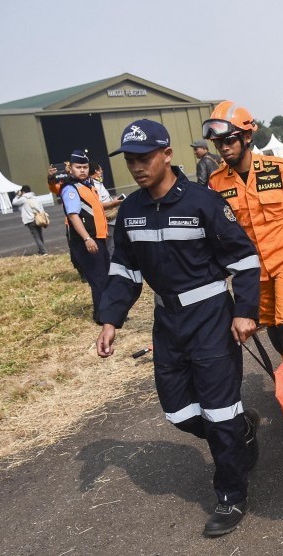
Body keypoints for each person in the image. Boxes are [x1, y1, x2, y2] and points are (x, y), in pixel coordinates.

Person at [97, 119, 261, 537]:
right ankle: (240, 431)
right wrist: (111, 319)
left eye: (145, 158)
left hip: (210, 317)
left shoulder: (204, 202)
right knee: (178, 413)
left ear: (167, 155)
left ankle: (231, 494)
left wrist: (244, 310)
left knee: (219, 411)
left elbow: (244, 259)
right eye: (131, 160)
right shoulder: (131, 210)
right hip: (167, 323)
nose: (137, 167)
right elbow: (124, 270)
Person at [203, 101, 283, 359]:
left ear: (247, 136)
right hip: (251, 270)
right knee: (272, 324)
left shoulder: (278, 168)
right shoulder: (215, 182)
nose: (224, 148)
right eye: (218, 143)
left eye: (230, 141)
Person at [60, 149, 110, 321]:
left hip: (99, 237)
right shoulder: (71, 189)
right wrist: (87, 238)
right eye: (78, 167)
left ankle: (108, 312)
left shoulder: (88, 186)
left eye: (85, 167)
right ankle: (102, 316)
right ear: (70, 169)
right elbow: (73, 216)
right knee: (98, 279)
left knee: (105, 276)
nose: (82, 170)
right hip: (87, 240)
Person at [89, 162, 123, 257]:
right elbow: (97, 204)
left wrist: (113, 200)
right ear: (96, 171)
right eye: (100, 169)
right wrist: (113, 203)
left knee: (114, 244)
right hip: (106, 220)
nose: (102, 171)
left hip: (112, 218)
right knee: (110, 247)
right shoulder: (93, 185)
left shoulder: (98, 183)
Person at [12, 185, 48, 255]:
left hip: (30, 219)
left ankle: (43, 251)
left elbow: (14, 202)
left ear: (23, 191)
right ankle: (41, 250)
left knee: (36, 236)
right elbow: (41, 208)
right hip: (39, 218)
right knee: (40, 235)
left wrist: (17, 195)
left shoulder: (23, 198)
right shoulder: (35, 197)